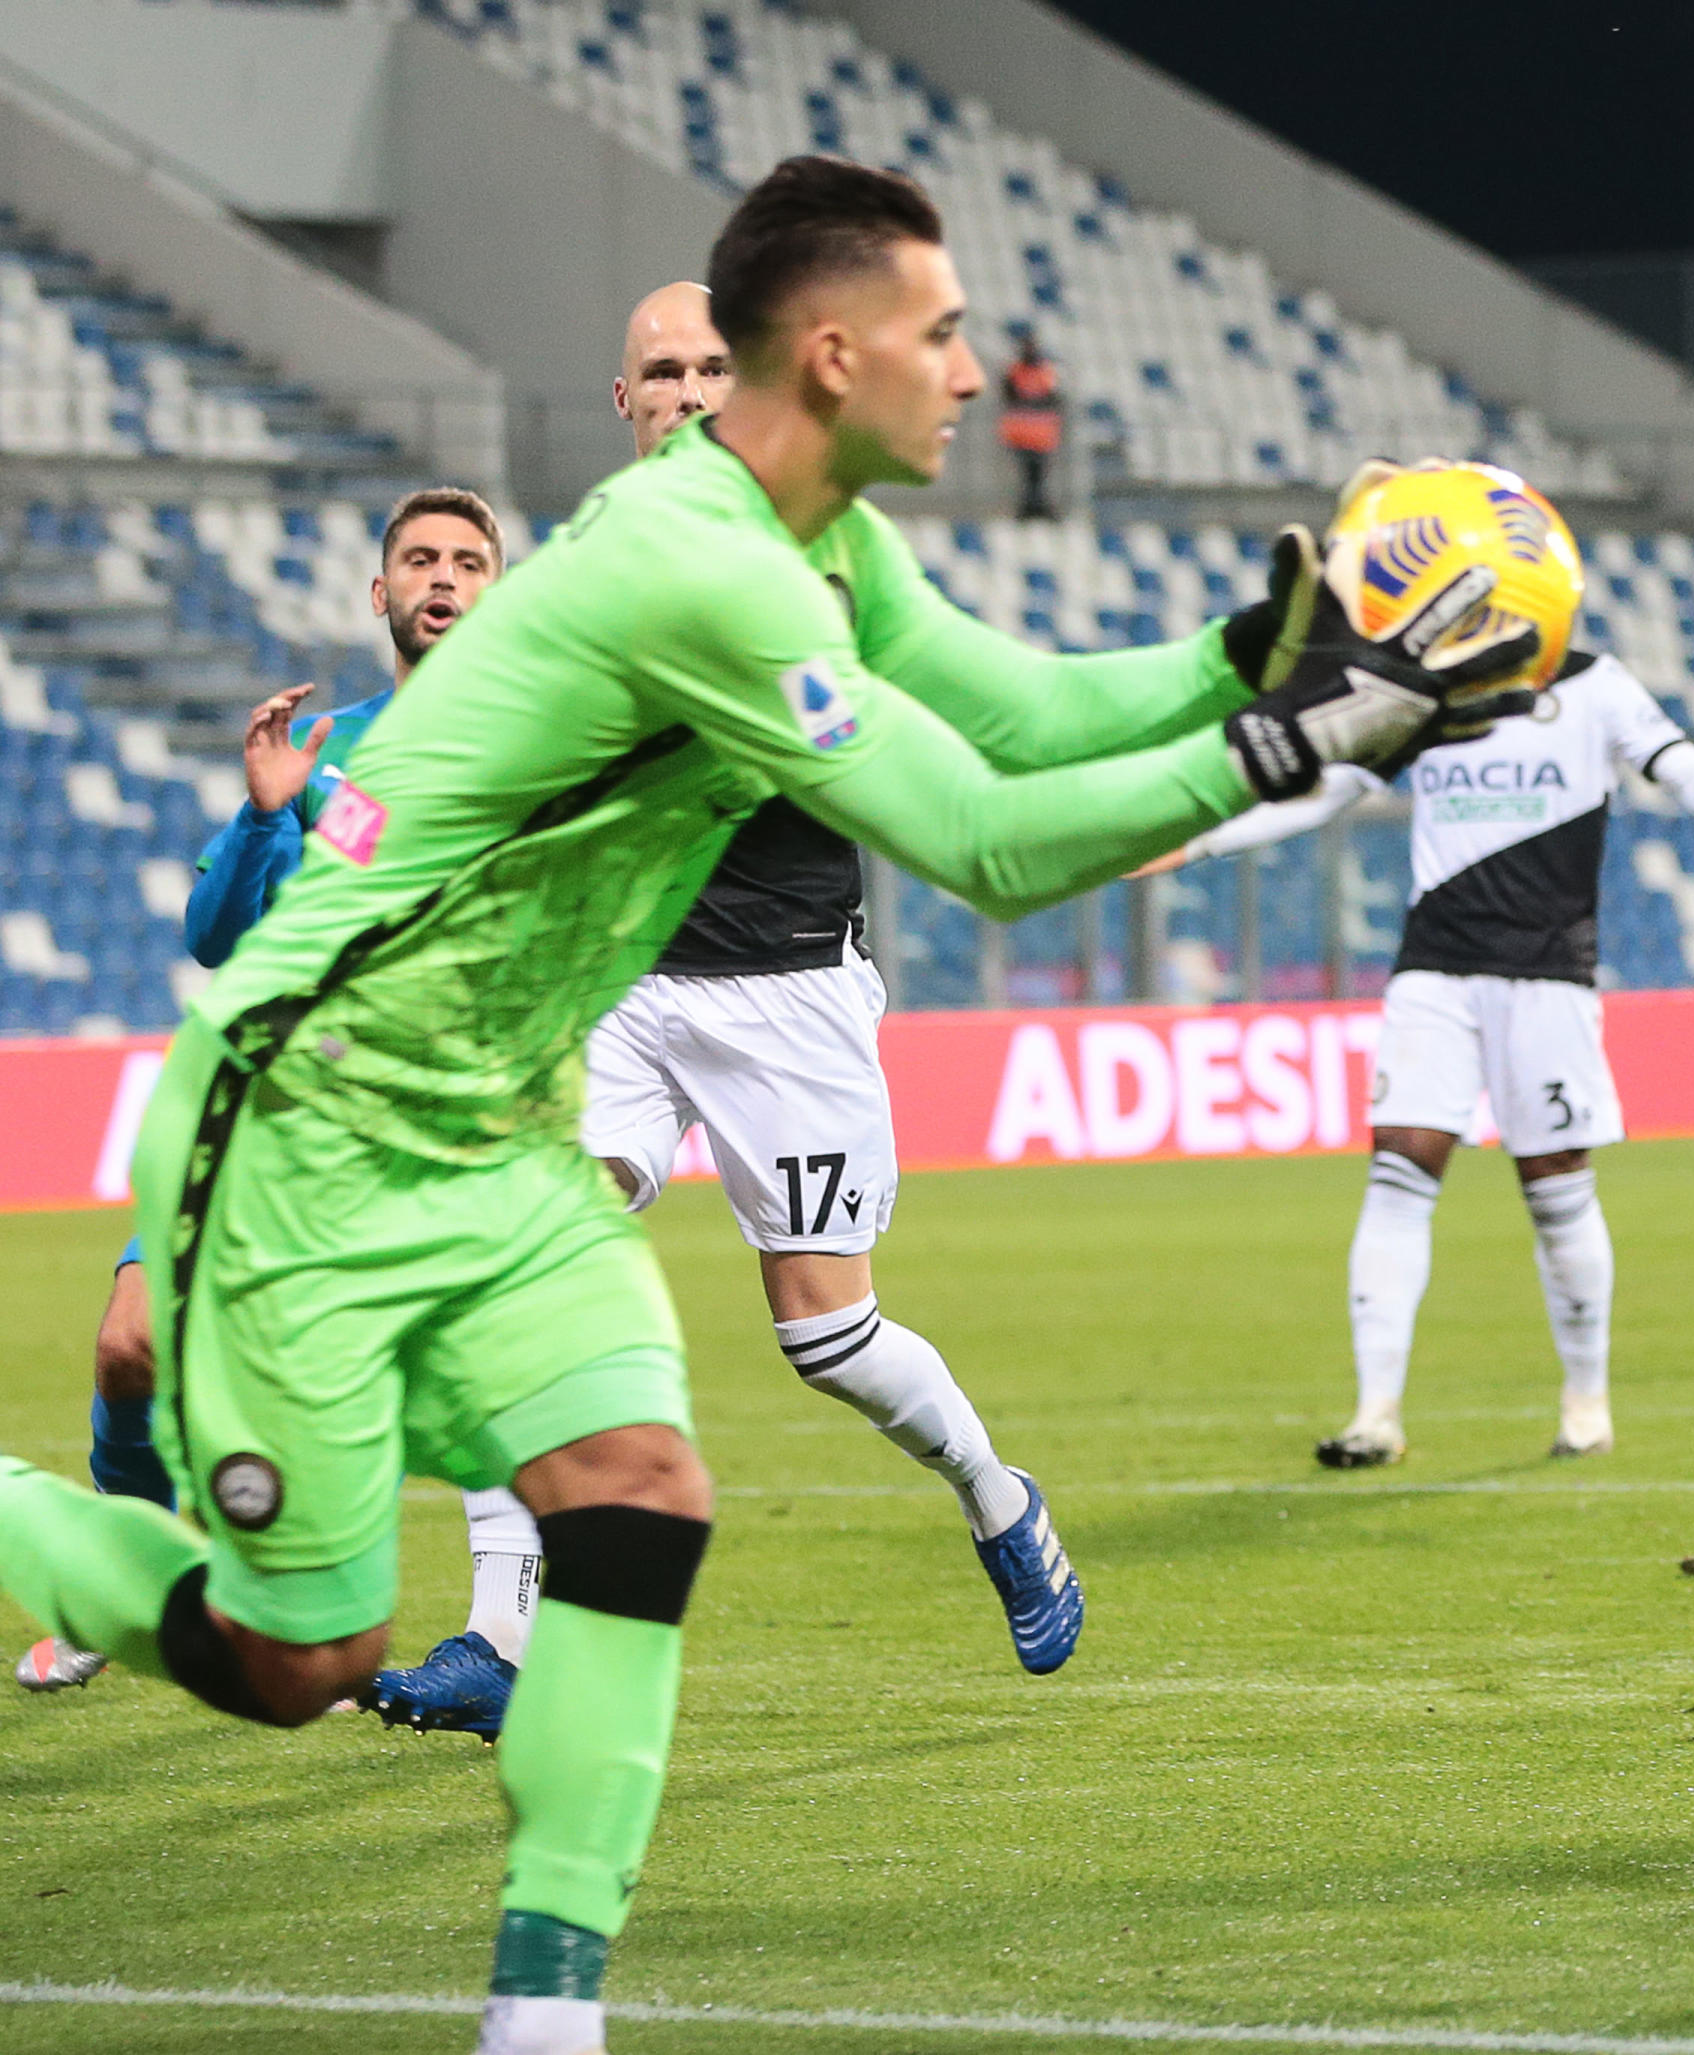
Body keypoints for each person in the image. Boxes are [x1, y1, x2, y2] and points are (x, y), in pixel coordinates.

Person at [0, 155, 1532, 2055]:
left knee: (640, 1501)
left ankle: (542, 2025)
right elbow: (979, 832)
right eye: (944, 333)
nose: (976, 374)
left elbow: (1032, 712)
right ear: (829, 352)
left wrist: (1258, 655)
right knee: (293, 1657)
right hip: (314, 1118)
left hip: (491, 1128)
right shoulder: (689, 571)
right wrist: (1299, 741)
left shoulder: (826, 548)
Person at [357, 281, 1093, 1742]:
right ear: (622, 401)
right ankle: (500, 1634)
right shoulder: (583, 571)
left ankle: (1000, 1499)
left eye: (711, 364)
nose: (688, 389)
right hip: (620, 991)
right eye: (660, 371)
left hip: (789, 992)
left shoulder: (821, 553)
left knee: (828, 1336)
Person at [17, 487, 504, 1695]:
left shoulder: (514, 755)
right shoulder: (316, 744)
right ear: (378, 592)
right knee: (128, 1347)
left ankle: (494, 1634)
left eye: (468, 563)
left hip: (398, 1128)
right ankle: (118, 1585)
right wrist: (260, 814)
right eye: (420, 560)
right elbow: (215, 935)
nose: (442, 578)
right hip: (253, 1110)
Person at [1140, 647, 1694, 1466]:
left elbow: (1672, 758)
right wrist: (1201, 840)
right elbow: (1328, 786)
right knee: (1400, 1169)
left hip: (1548, 973)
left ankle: (1586, 1399)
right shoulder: (1427, 691)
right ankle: (1376, 1414)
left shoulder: (1595, 684)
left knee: (1556, 1187)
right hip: (1435, 968)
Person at [998, 326, 1062, 520]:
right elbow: (1010, 396)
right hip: (1022, 432)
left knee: (1038, 475)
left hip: (1040, 434)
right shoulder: (1015, 372)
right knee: (1028, 475)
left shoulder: (1045, 371)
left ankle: (1035, 507)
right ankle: (1031, 507)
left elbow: (1053, 398)